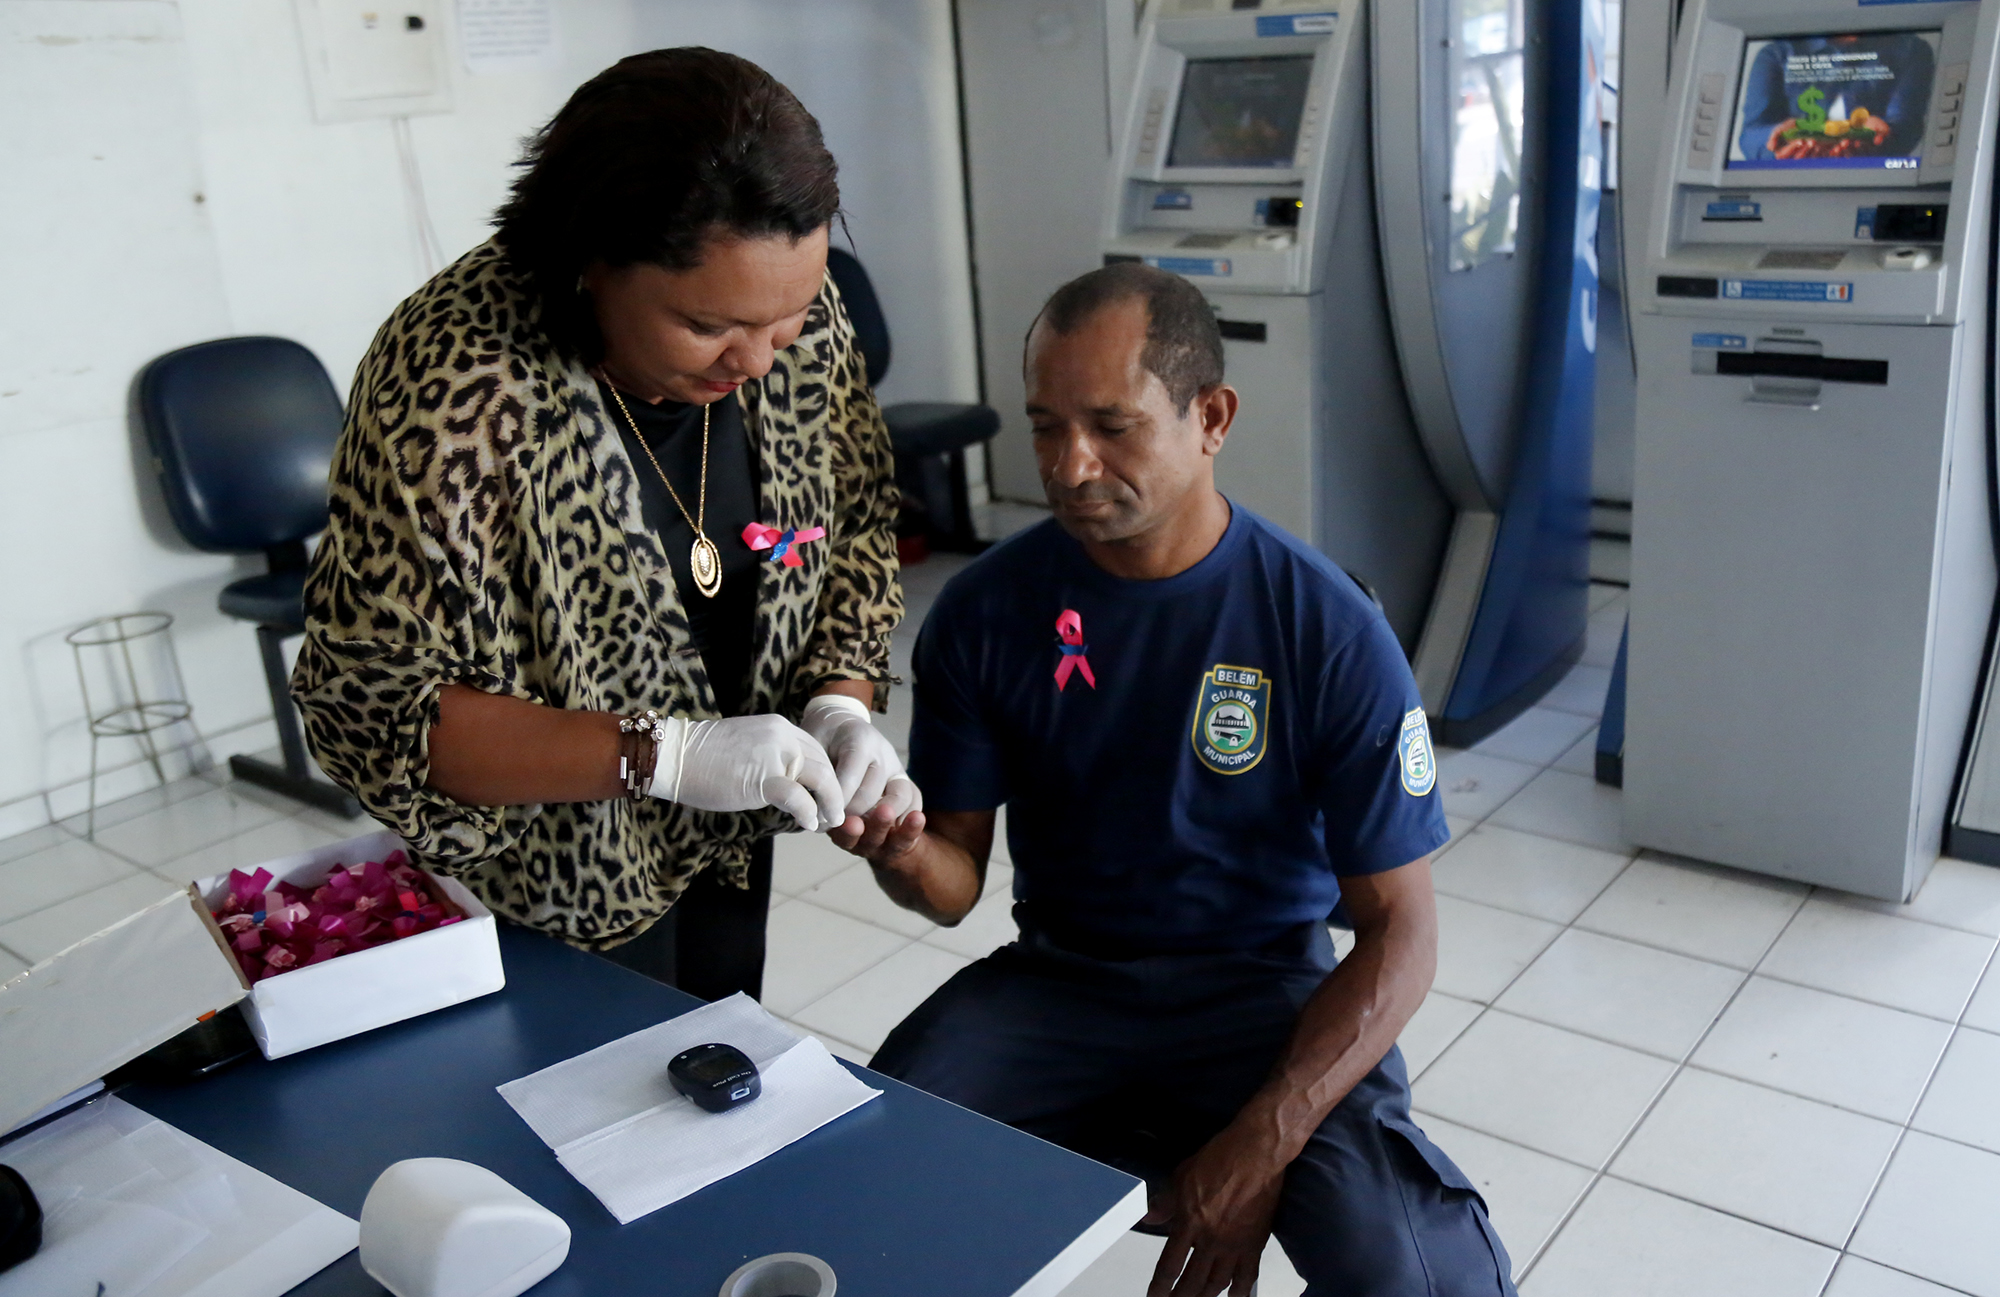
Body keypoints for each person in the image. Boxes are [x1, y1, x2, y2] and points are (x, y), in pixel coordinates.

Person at [833, 264, 1514, 1297]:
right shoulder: (983, 614)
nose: (1069, 465)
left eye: (1110, 425)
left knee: (1420, 1276)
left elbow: (1402, 934)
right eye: (1044, 426)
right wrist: (898, 844)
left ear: (1211, 417)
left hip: (1264, 991)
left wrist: (1264, 1137)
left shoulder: (1326, 627)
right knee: (860, 1182)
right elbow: (955, 883)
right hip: (1061, 982)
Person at [292, 48, 915, 1002]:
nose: (757, 359)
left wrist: (840, 702)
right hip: (549, 864)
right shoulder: (460, 386)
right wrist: (663, 753)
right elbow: (379, 710)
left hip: (731, 831)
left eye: (785, 320)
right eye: (709, 326)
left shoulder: (799, 317)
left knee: (714, 1048)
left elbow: (857, 528)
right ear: (592, 262)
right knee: (583, 1096)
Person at [1735, 32, 1935, 163]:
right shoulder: (1776, 53)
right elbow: (1751, 135)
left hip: (1875, 182)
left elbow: (1906, 124)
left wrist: (1884, 137)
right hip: (1792, 184)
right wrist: (1775, 139)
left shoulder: (1912, 49)